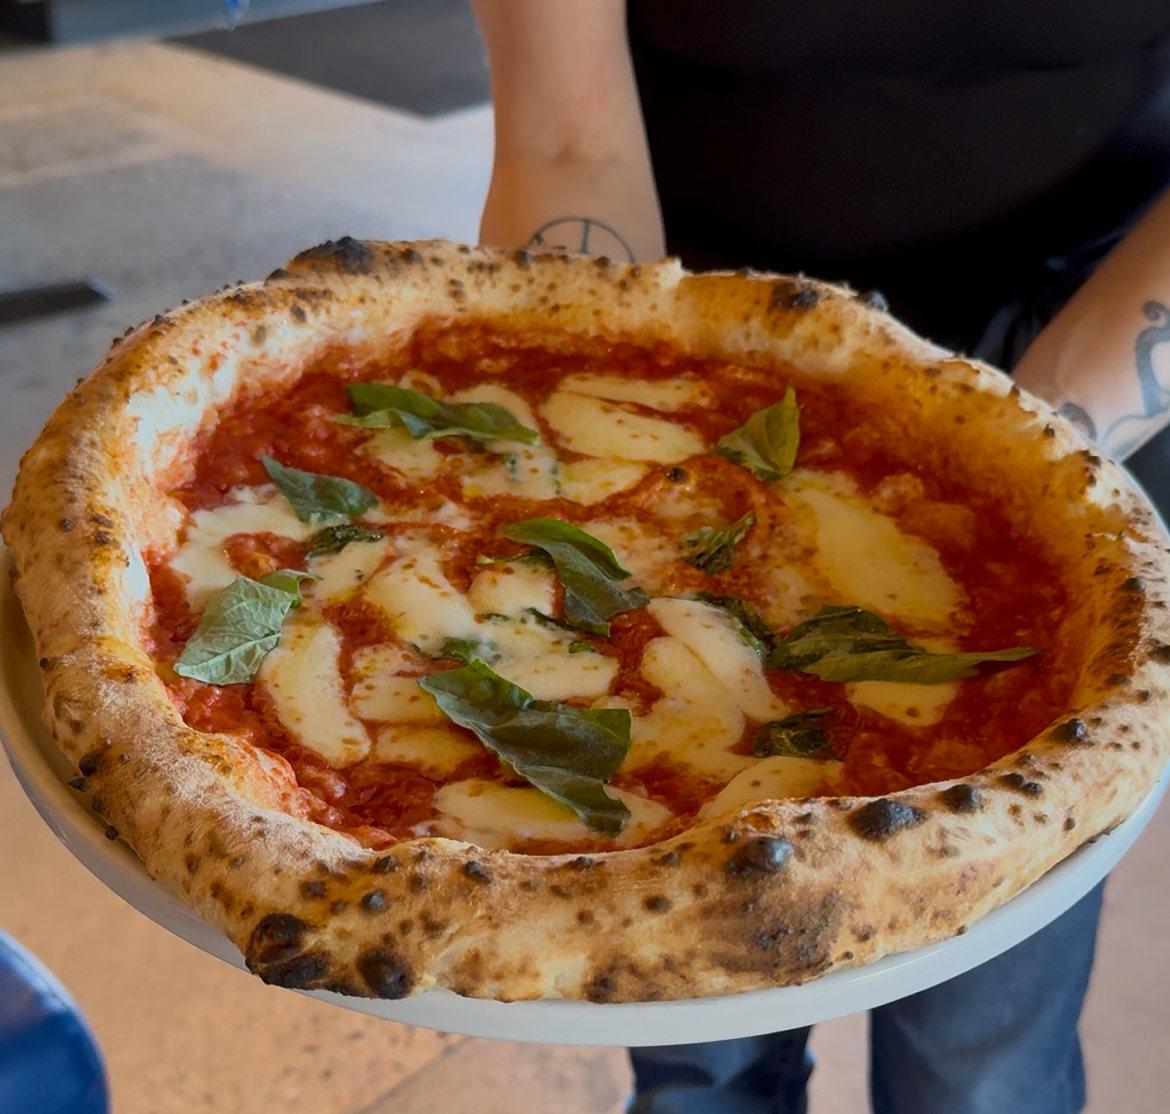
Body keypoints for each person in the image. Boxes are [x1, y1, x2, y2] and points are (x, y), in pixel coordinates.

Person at [467, 3, 1170, 1113]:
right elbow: (569, 141)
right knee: (691, 1019)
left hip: (1080, 361)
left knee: (979, 1055)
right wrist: (610, 496)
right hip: (698, 354)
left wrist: (1005, 462)